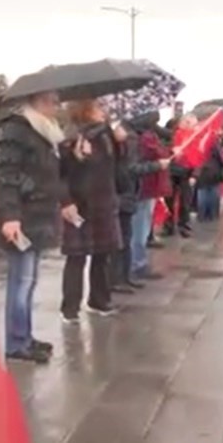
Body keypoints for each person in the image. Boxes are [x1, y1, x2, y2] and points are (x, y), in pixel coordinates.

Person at [0, 90, 66, 364]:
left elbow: (49, 175)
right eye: (51, 100)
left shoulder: (46, 133)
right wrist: (11, 216)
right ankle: (16, 343)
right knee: (21, 282)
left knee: (29, 281)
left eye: (57, 101)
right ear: (35, 100)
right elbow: (6, 176)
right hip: (22, 217)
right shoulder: (18, 129)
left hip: (39, 216)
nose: (56, 106)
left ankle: (25, 336)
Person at [59, 99, 123, 322]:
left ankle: (99, 300)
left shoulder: (106, 135)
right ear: (85, 111)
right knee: (76, 258)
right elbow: (60, 174)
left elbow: (116, 167)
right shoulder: (70, 137)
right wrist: (77, 159)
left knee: (102, 255)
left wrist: (121, 143)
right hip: (80, 204)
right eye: (98, 107)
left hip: (104, 203)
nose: (103, 111)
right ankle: (70, 309)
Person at [111, 119, 171, 293]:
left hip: (133, 190)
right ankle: (128, 271)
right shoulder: (131, 139)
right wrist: (157, 165)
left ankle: (126, 274)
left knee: (134, 232)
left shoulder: (135, 137)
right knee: (132, 233)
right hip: (129, 192)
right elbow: (130, 168)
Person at [131, 111, 172, 281]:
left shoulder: (147, 134)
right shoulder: (142, 137)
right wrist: (158, 163)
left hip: (147, 187)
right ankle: (137, 265)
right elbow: (136, 165)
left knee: (142, 226)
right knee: (139, 228)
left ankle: (137, 263)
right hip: (143, 188)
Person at [165, 114, 198, 237]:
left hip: (187, 173)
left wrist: (195, 175)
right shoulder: (171, 135)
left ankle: (183, 225)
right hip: (172, 171)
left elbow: (200, 158)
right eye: (186, 121)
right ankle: (169, 225)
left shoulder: (196, 138)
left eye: (191, 123)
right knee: (169, 200)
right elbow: (163, 148)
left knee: (185, 201)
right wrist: (172, 150)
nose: (188, 124)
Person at [195, 134, 223, 221]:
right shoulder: (213, 140)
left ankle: (202, 215)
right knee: (213, 193)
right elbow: (221, 158)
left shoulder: (197, 139)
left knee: (202, 193)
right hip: (213, 171)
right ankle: (212, 216)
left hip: (200, 171)